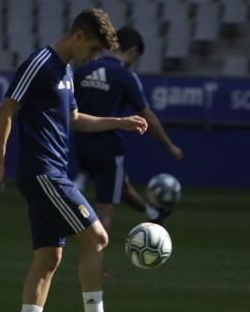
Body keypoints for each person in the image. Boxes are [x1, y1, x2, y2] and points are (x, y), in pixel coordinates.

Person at [0, 8, 149, 312]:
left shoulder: (66, 70)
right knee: (97, 237)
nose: (92, 57)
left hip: (52, 171)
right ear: (77, 37)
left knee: (49, 258)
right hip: (44, 172)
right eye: (91, 49)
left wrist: (118, 122)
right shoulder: (40, 63)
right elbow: (7, 108)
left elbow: (73, 118)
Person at [73, 26, 183, 238]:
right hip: (107, 146)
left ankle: (153, 213)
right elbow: (148, 116)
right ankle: (97, 267)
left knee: (120, 185)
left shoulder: (84, 69)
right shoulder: (125, 76)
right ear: (132, 51)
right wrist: (169, 146)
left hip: (81, 144)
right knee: (105, 208)